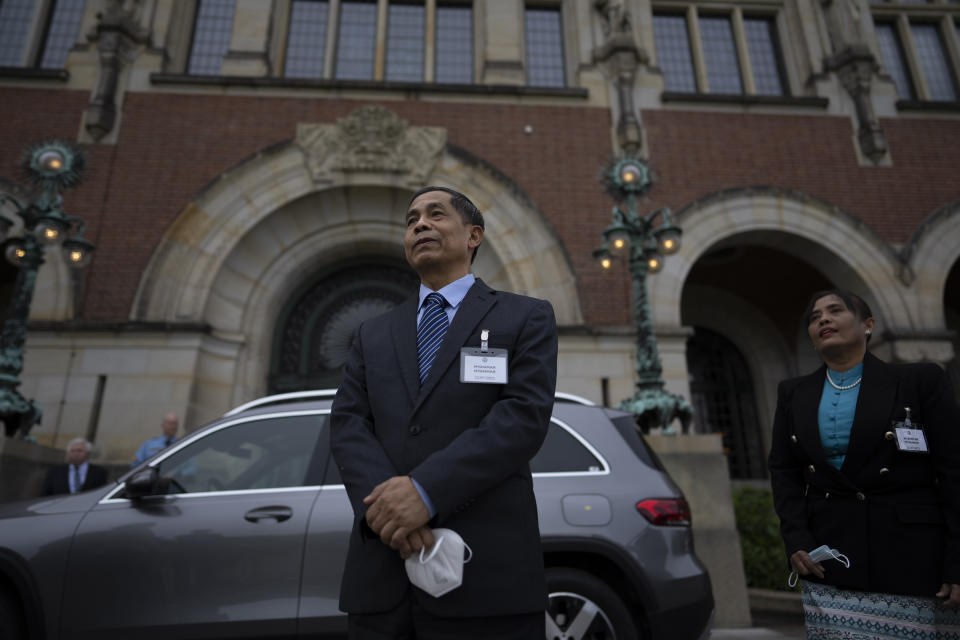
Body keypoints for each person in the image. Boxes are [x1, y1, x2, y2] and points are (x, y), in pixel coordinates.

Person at [330, 186, 558, 638]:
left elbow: (521, 419)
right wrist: (391, 511)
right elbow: (349, 425)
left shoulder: (525, 317)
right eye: (412, 219)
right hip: (383, 581)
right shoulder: (371, 333)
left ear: (473, 235)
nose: (420, 224)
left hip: (488, 581)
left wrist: (426, 492)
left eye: (436, 215)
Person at [768, 289, 960, 637]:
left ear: (868, 325)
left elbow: (954, 471)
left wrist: (958, 562)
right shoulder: (793, 393)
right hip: (831, 556)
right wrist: (796, 539)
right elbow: (783, 471)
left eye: (835, 311)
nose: (823, 319)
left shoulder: (920, 380)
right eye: (815, 317)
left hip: (913, 555)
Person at [42, 438, 108, 495]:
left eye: (79, 451)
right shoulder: (55, 472)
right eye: (72, 451)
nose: (76, 453)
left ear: (87, 453)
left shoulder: (99, 472)